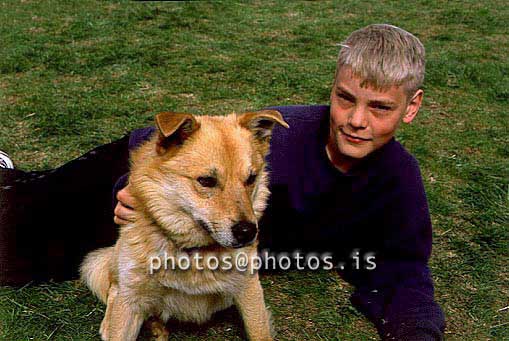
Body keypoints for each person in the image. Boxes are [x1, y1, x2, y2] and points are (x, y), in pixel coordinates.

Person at [0, 24, 445, 339]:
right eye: (344, 98)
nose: (356, 121)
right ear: (332, 88)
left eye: (380, 107)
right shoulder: (285, 137)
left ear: (411, 106)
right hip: (148, 184)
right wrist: (130, 187)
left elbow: (403, 269)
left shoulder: (398, 181)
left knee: (34, 263)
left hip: (202, 239)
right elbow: (177, 148)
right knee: (20, 227)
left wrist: (417, 334)